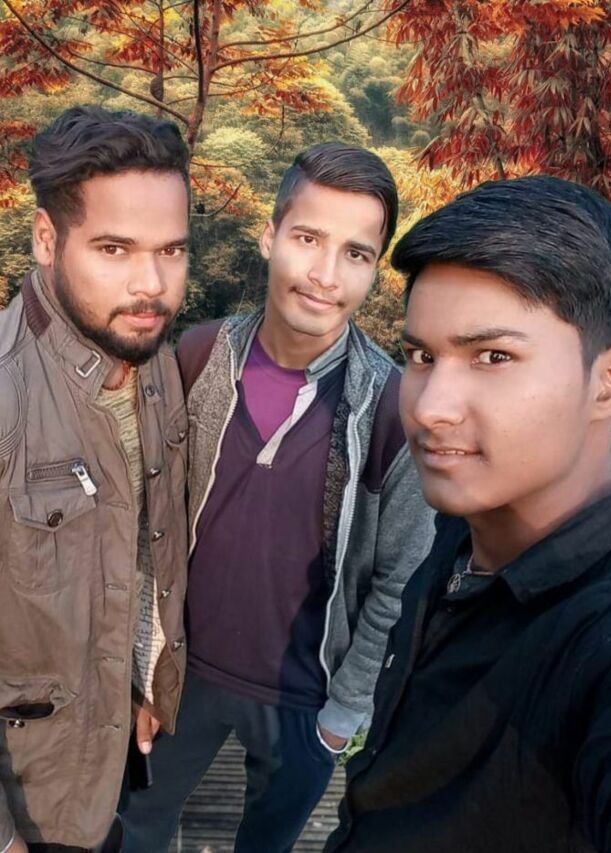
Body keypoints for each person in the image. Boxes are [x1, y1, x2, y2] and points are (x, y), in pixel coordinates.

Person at [119, 142, 435, 852]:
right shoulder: (199, 358)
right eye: (308, 238)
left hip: (303, 697)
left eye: (356, 253)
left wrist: (342, 714)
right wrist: (144, 664)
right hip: (182, 672)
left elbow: (400, 576)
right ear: (270, 236)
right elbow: (150, 521)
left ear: (375, 269)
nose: (326, 275)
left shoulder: (390, 407)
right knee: (134, 827)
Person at [324, 175, 611, 853]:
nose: (430, 406)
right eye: (420, 356)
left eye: (493, 357)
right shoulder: (460, 532)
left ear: (609, 381)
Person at [0, 105, 191, 853]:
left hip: (109, 764)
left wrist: (141, 679)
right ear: (47, 239)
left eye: (172, 250)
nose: (152, 284)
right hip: (28, 802)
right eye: (115, 248)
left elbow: (145, 543)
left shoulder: (154, 361)